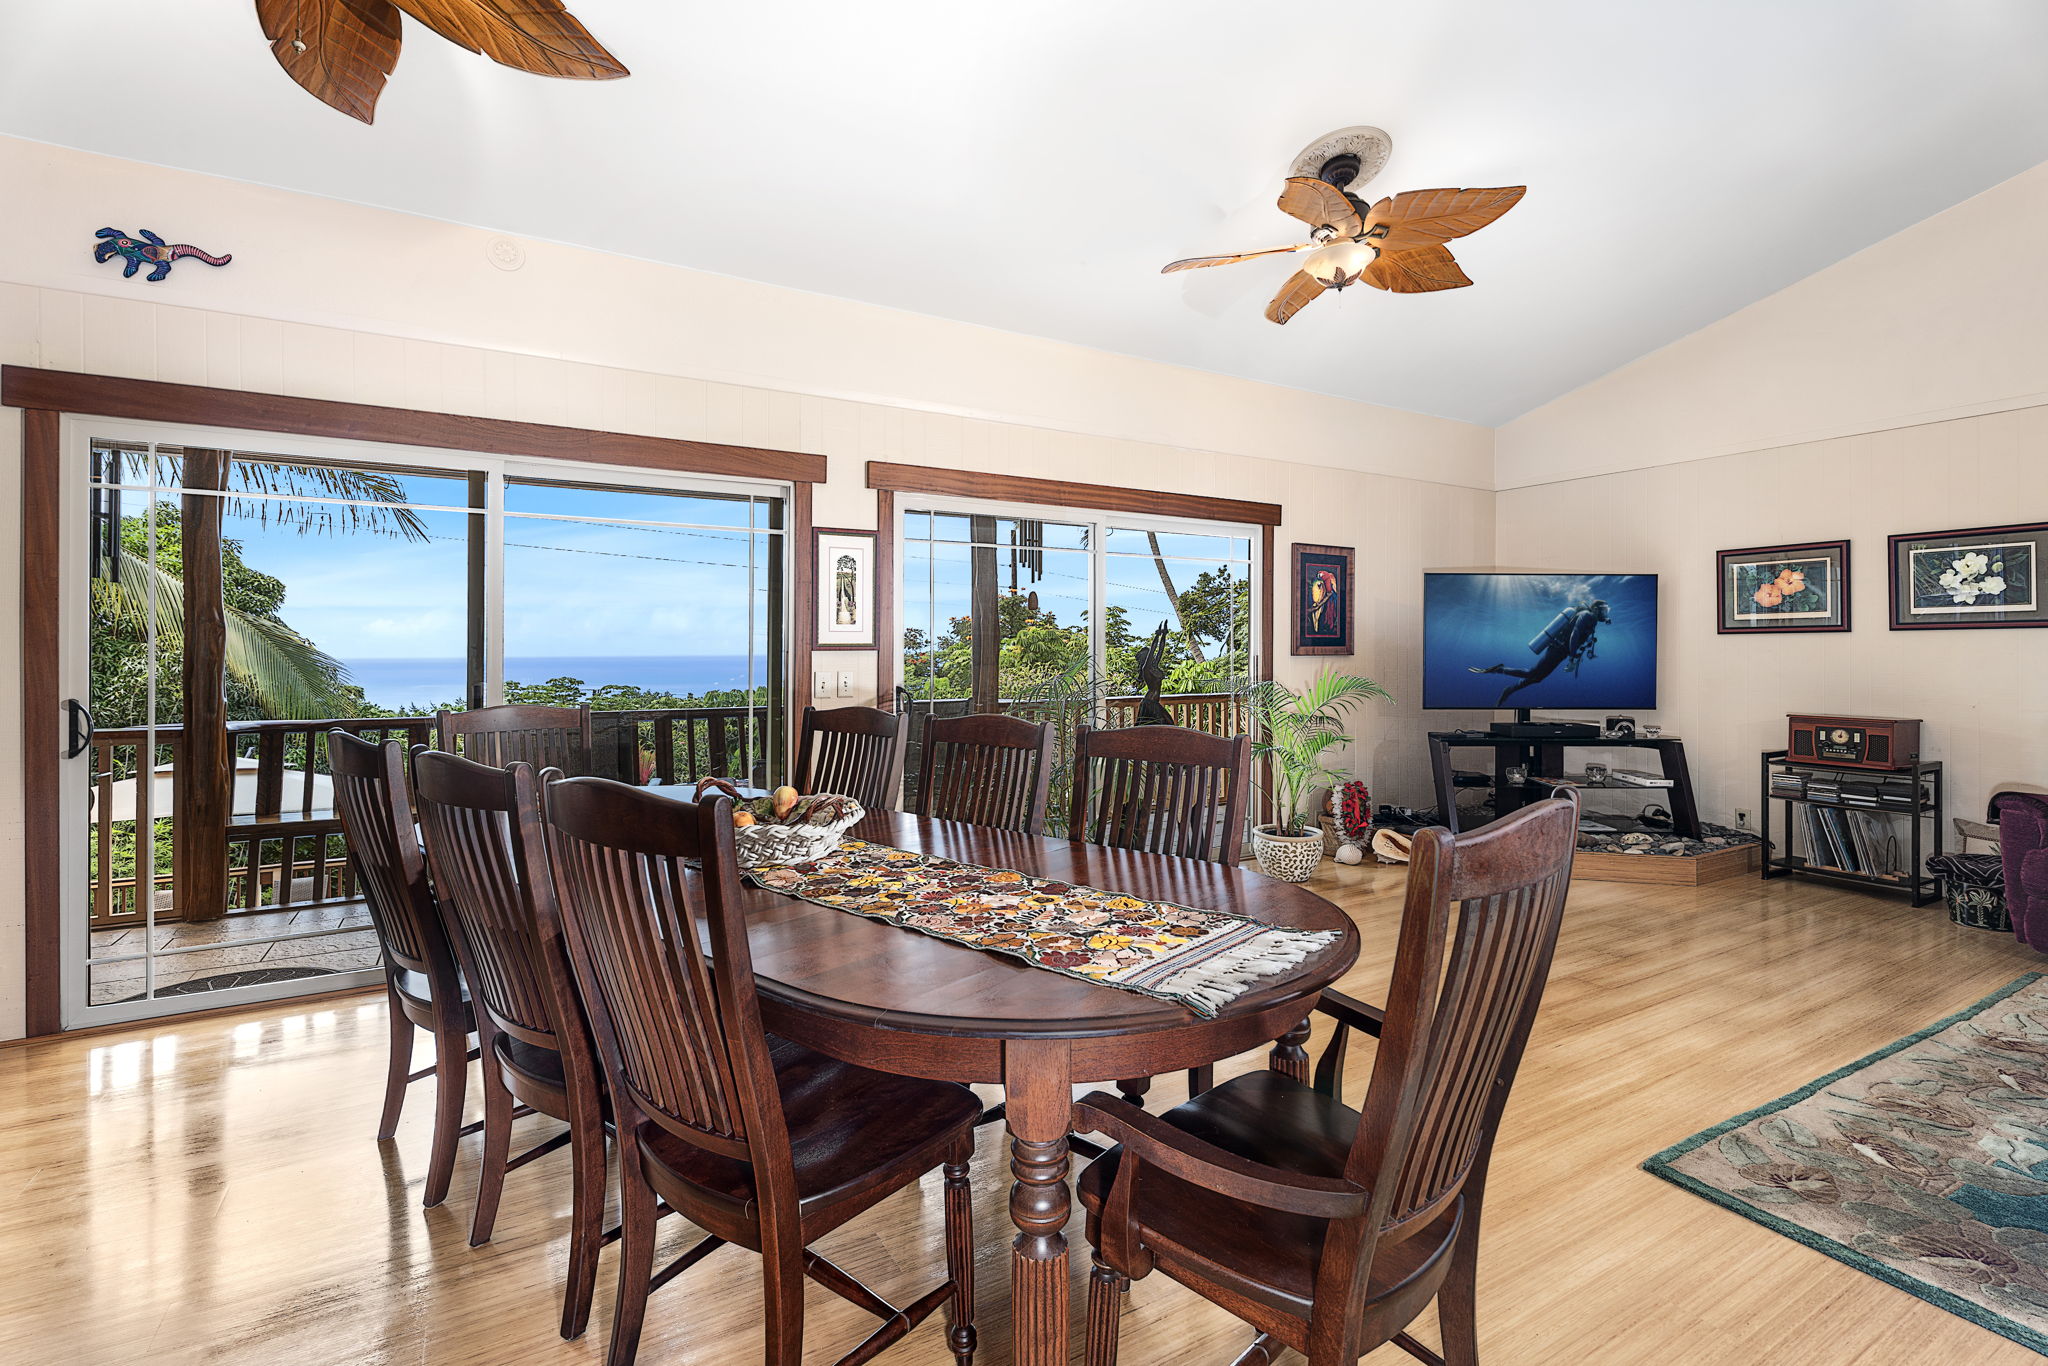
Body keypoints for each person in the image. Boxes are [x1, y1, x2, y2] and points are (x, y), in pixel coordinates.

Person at [1470, 598, 1611, 706]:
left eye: (1607, 611)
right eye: (1604, 610)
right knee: (1532, 673)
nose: (1605, 613)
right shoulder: (1587, 615)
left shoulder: (1592, 620)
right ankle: (1499, 670)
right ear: (1596, 610)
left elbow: (1581, 639)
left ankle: (1509, 690)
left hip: (1561, 653)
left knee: (1537, 678)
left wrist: (1581, 654)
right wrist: (1573, 658)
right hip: (1556, 650)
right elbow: (1575, 633)